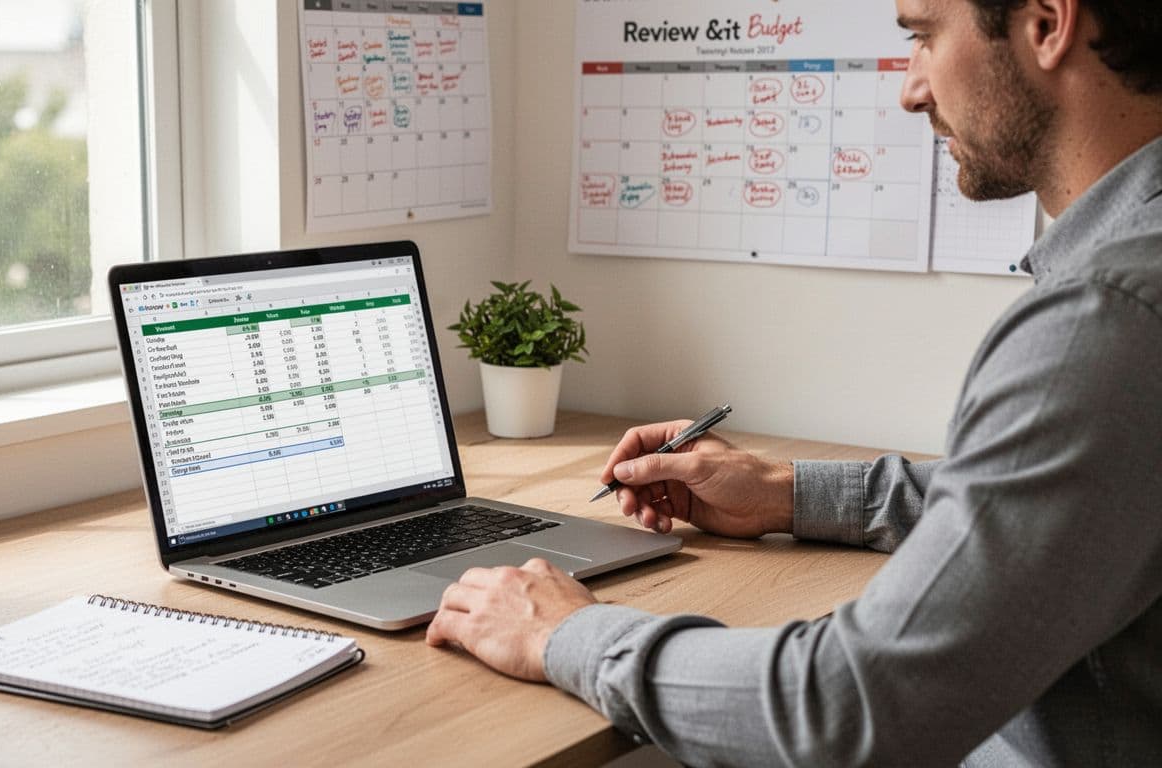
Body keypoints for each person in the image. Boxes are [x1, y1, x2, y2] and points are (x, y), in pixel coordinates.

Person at [425, 0, 1162, 764]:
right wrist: (784, 490)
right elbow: (1041, 511)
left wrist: (563, 633)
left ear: (1047, 23)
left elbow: (852, 706)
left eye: (922, 36)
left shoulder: (1108, 320)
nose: (911, 89)